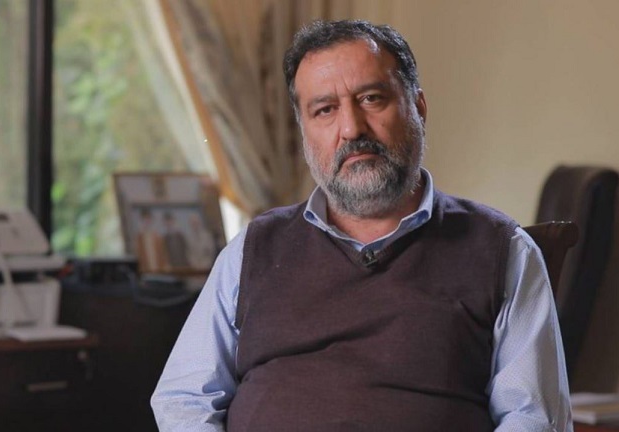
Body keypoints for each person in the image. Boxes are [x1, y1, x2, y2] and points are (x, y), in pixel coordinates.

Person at [151, 20, 572, 431]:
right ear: (304, 132)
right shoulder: (252, 250)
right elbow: (184, 399)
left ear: (418, 108)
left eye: (371, 99)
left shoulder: (503, 250)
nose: (351, 128)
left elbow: (534, 418)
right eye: (325, 110)